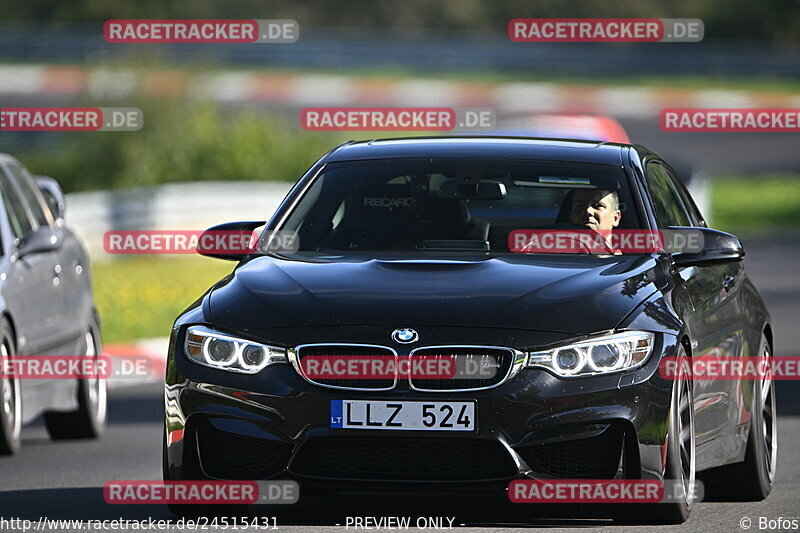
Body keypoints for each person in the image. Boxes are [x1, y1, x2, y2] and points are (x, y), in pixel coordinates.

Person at [567, 189, 622, 254]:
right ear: (570, 216)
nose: (588, 210)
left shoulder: (628, 261)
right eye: (580, 206)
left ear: (615, 218)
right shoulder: (554, 255)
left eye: (597, 205)